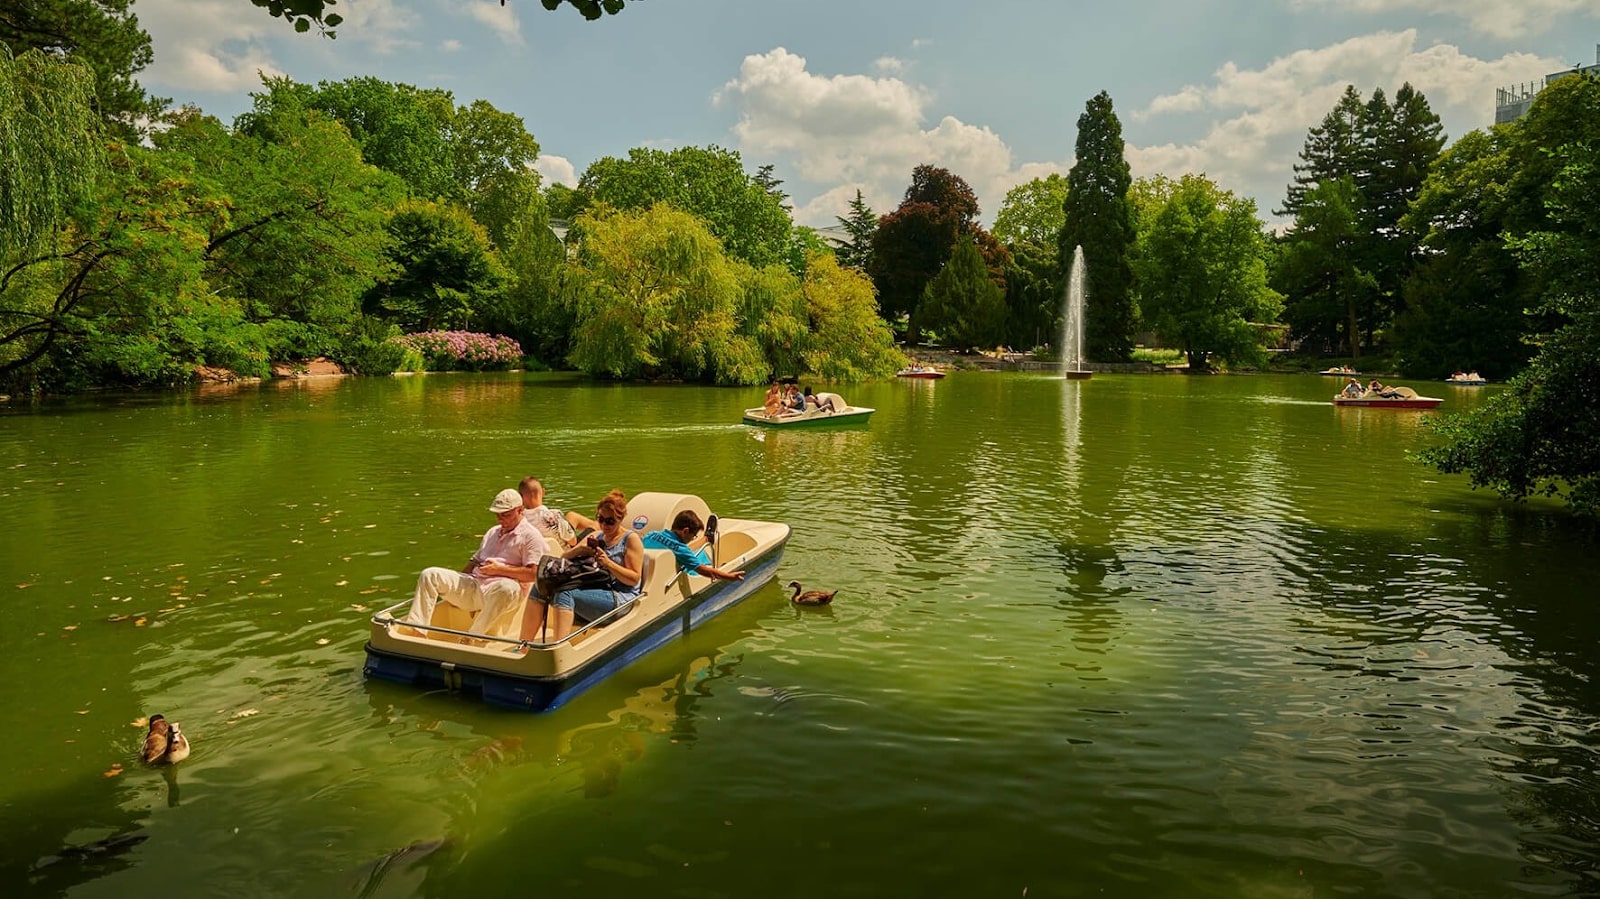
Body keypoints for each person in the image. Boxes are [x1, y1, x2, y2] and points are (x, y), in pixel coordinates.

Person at [403, 489, 548, 637]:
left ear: (520, 510)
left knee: (507, 588)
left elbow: (533, 574)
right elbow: (474, 561)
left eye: (506, 515)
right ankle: (418, 632)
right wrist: (457, 586)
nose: (500, 519)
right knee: (430, 574)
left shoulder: (531, 536)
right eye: (497, 514)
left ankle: (472, 636)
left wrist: (499, 570)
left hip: (504, 592)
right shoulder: (492, 532)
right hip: (476, 584)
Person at [522, 489, 644, 643]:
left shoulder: (630, 539)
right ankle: (523, 645)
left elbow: (634, 579)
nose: (604, 525)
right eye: (601, 519)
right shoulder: (597, 535)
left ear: (620, 519)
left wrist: (608, 563)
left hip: (620, 597)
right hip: (595, 587)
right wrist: (579, 551)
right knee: (541, 586)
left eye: (610, 521)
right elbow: (564, 557)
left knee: (565, 594)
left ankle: (559, 649)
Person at [641, 510, 746, 582]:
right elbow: (703, 571)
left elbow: (675, 548)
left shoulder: (651, 534)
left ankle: (706, 538)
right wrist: (729, 576)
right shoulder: (681, 550)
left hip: (646, 574)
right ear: (685, 531)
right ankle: (718, 564)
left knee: (687, 553)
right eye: (694, 536)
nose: (692, 539)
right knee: (700, 555)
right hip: (668, 576)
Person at [519, 476, 574, 550]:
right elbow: (573, 542)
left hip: (536, 554)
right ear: (543, 492)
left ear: (520, 496)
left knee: (572, 516)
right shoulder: (555, 516)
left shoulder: (519, 521)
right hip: (563, 555)